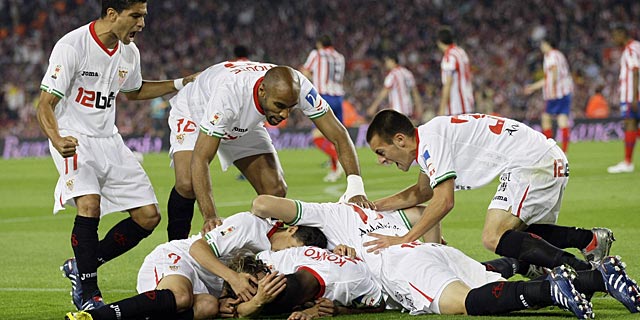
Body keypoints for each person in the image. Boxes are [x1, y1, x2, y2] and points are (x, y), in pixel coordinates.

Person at [36, 0, 198, 310]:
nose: (142, 24)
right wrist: (56, 137)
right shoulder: (72, 46)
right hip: (74, 137)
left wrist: (179, 83)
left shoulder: (129, 52)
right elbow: (45, 103)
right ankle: (89, 293)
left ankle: (81, 265)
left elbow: (134, 90)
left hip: (110, 140)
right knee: (89, 205)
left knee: (148, 216)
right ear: (113, 14)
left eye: (143, 16)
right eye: (136, 16)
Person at [250, 195, 640, 317]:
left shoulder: (327, 216)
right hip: (429, 248)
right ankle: (599, 277)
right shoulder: (372, 212)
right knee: (494, 284)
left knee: (464, 304)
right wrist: (430, 245)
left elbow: (262, 202)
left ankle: (550, 289)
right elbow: (422, 215)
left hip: (400, 264)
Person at [364, 110, 615, 273]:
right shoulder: (430, 137)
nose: (381, 160)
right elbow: (422, 192)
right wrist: (372, 206)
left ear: (399, 140)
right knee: (520, 240)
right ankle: (587, 240)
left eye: (381, 152)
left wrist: (404, 239)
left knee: (494, 236)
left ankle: (585, 274)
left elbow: (444, 202)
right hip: (543, 158)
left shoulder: (431, 142)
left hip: (530, 162)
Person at [167, 61, 371, 242]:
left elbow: (339, 135)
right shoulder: (229, 93)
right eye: (280, 106)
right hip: (196, 112)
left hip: (244, 121)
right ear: (262, 91)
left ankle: (259, 246)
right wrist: (210, 217)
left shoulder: (298, 87)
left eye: (290, 107)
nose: (284, 115)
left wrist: (356, 188)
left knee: (275, 191)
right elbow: (201, 158)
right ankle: (173, 252)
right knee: (187, 183)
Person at [64, 211, 327, 320]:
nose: (287, 255)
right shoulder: (250, 224)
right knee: (181, 296)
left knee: (207, 307)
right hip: (178, 259)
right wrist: (233, 279)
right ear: (291, 229)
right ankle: (94, 317)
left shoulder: (280, 260)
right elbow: (197, 248)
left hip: (208, 286)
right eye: (291, 248)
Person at [219, 246, 385, 318]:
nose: (263, 285)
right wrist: (226, 295)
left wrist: (341, 311)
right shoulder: (275, 260)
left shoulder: (347, 282)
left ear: (298, 305)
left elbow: (379, 306)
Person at [301, 35, 347, 182]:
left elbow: (305, 72)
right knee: (336, 137)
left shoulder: (317, 54)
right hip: (339, 99)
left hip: (324, 98)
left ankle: (337, 161)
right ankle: (335, 170)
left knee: (317, 136)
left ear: (320, 44)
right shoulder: (340, 57)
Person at [524, 38, 574, 152]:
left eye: (542, 44)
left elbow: (553, 74)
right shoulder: (559, 55)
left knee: (546, 118)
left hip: (556, 94)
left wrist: (553, 86)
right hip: (565, 92)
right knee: (562, 120)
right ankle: (564, 152)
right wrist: (533, 87)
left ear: (547, 44)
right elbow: (549, 78)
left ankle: (550, 150)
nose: (541, 47)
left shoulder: (551, 56)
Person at [608, 24, 640, 174]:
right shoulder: (636, 46)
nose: (614, 39)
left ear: (622, 34)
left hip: (631, 96)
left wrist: (634, 97)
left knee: (630, 125)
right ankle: (627, 162)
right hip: (632, 95)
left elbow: (635, 71)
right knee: (631, 126)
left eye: (615, 36)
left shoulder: (630, 49)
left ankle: (628, 162)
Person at [366, 52, 423, 123]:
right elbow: (415, 92)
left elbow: (384, 92)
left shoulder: (393, 74)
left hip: (397, 111)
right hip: (408, 110)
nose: (386, 63)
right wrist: (419, 107)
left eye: (387, 61)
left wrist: (373, 107)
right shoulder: (407, 73)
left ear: (392, 61)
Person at [436, 26, 474, 116]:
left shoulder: (449, 56)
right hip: (467, 100)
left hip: (456, 105)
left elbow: (448, 83)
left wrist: (442, 109)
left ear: (439, 42)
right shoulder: (461, 52)